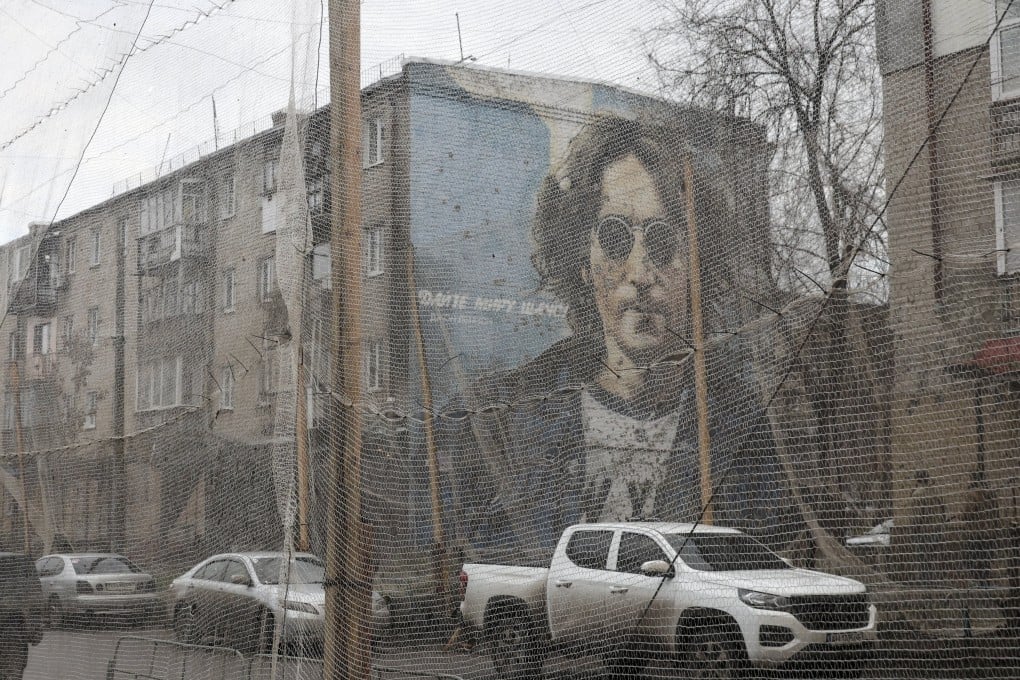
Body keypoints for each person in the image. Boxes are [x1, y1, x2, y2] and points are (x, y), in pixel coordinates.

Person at [441, 114, 800, 557]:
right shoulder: (508, 418)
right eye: (614, 238)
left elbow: (766, 558)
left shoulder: (739, 430)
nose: (640, 273)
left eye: (662, 240)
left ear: (695, 266)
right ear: (581, 261)